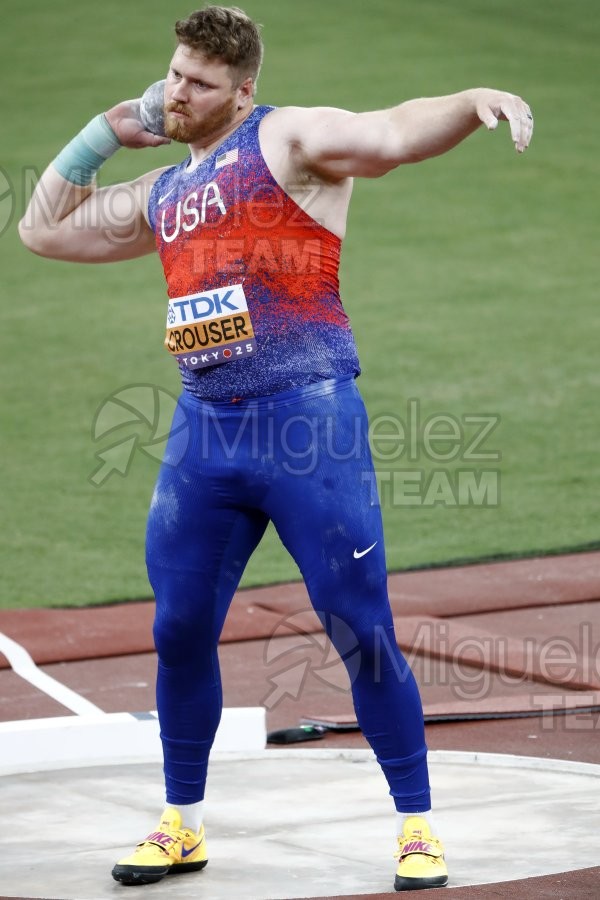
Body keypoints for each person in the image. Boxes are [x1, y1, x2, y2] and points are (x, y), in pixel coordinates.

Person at [19, 5, 533, 892]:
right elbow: (41, 228)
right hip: (204, 436)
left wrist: (472, 97)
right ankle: (181, 823)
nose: (179, 93)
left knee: (358, 628)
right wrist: (105, 129)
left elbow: (391, 133)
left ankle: (417, 826)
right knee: (178, 630)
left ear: (243, 89)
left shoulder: (288, 141)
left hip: (307, 429)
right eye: (174, 75)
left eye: (200, 83)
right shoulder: (166, 195)